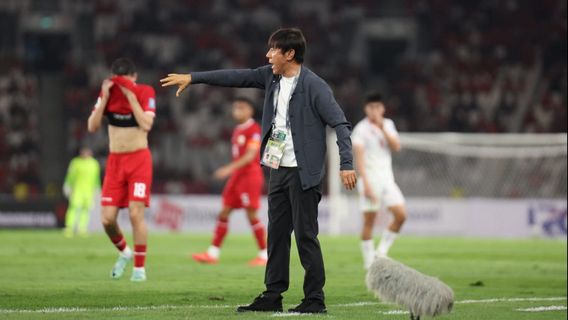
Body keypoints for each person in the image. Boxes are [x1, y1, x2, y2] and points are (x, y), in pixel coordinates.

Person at [161, 27, 357, 314]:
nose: (268, 55)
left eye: (273, 50)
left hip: (304, 173)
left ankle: (314, 299)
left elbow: (340, 124)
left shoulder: (315, 86)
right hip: (277, 169)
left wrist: (346, 163)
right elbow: (235, 76)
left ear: (289, 54)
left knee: (305, 236)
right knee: (276, 236)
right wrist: (194, 78)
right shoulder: (271, 77)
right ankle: (272, 296)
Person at [87, 58, 156, 282]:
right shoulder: (107, 94)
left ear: (134, 77)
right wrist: (106, 97)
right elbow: (92, 126)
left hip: (138, 161)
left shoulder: (145, 91)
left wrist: (130, 96)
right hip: (115, 161)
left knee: (136, 215)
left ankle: (139, 268)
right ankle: (124, 252)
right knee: (107, 220)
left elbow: (146, 124)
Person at [192, 97, 268, 266]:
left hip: (249, 176)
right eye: (235, 108)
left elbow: (250, 156)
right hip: (237, 177)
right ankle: (212, 253)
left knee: (251, 215)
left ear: (250, 111)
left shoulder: (253, 129)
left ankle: (265, 254)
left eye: (241, 108)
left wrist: (228, 169)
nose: (237, 111)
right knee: (224, 212)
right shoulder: (238, 129)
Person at [352, 92, 407, 270]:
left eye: (377, 107)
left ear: (382, 108)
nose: (374, 110)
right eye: (371, 107)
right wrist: (365, 184)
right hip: (370, 179)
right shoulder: (361, 129)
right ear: (366, 109)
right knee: (370, 221)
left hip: (387, 179)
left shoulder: (388, 124)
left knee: (401, 215)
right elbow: (359, 159)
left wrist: (382, 127)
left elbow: (397, 147)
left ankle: (381, 252)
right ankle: (369, 262)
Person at [62, 146, 101, 238]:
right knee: (73, 208)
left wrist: (97, 188)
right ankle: (69, 228)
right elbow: (70, 175)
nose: (85, 154)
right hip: (77, 190)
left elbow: (96, 178)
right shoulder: (75, 163)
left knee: (86, 210)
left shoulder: (94, 164)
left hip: (88, 192)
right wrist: (67, 185)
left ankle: (82, 229)